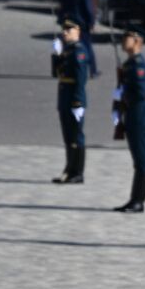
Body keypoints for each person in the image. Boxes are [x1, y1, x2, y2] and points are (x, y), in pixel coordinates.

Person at [113, 26, 145, 213]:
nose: (124, 40)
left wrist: (123, 92)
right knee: (138, 161)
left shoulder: (138, 66)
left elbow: (140, 92)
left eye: (128, 37)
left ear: (138, 41)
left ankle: (139, 201)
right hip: (133, 115)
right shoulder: (130, 64)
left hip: (140, 115)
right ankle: (134, 199)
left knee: (142, 160)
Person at [52, 19, 89, 184]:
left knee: (76, 137)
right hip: (64, 98)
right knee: (68, 137)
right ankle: (69, 169)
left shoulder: (79, 51)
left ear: (77, 31)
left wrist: (78, 102)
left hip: (74, 99)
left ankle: (77, 172)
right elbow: (56, 74)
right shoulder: (67, 50)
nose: (65, 32)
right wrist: (55, 55)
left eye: (69, 29)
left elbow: (81, 79)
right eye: (64, 29)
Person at [58, 0, 99, 78]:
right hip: (81, 22)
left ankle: (63, 69)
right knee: (86, 46)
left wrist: (61, 19)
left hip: (67, 20)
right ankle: (92, 70)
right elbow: (87, 6)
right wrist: (91, 22)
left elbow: (61, 3)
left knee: (67, 46)